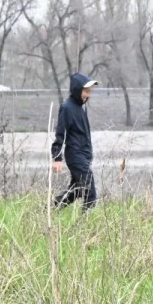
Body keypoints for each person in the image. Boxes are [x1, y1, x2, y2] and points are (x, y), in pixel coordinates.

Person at [50, 72, 100, 210]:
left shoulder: (80, 108)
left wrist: (88, 156)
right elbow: (60, 133)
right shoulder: (67, 107)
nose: (88, 95)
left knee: (76, 191)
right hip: (75, 155)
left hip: (84, 156)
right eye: (86, 91)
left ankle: (48, 210)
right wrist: (57, 158)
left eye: (89, 92)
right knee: (90, 191)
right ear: (77, 89)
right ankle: (86, 221)